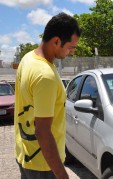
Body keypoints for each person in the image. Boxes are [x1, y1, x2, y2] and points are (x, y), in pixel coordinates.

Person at [14, 12, 81, 179]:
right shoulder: (45, 75)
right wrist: (62, 175)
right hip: (43, 164)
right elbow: (43, 132)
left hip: (25, 153)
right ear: (56, 41)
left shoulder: (28, 58)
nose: (71, 52)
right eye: (70, 47)